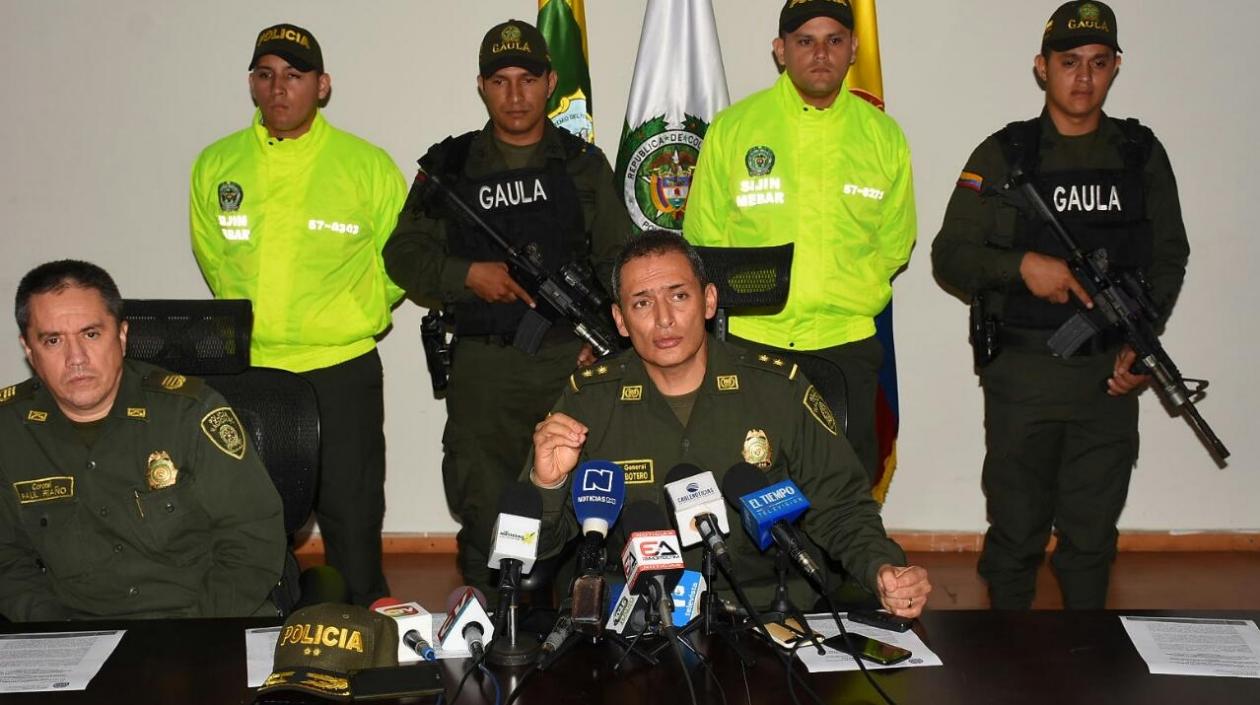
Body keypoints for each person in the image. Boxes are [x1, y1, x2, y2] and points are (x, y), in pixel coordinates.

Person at [931, 1, 1189, 609]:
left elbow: (1168, 256)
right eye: (1069, 62)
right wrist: (1020, 266)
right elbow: (950, 255)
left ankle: (1087, 653)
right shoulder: (1005, 155)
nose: (1083, 77)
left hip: (1108, 380)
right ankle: (1006, 651)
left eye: (1098, 62)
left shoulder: (1139, 154)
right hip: (1024, 375)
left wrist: (1140, 344)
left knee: (1092, 539)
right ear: (1041, 67)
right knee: (1015, 535)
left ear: (1116, 66)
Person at [529, 232, 930, 614]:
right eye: (642, 304)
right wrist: (548, 486)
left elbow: (841, 507)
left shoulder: (777, 389)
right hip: (640, 615)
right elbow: (533, 551)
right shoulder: (588, 401)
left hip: (768, 611)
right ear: (620, 320)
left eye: (679, 296)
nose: (664, 319)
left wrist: (882, 568)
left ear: (708, 301)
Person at [383, 19, 631, 598]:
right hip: (486, 368)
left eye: (527, 79)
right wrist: (467, 274)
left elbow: (620, 261)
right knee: (484, 495)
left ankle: (579, 613)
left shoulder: (583, 164)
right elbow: (403, 255)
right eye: (500, 81)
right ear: (481, 86)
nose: (515, 94)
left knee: (582, 496)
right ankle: (490, 617)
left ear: (550, 83)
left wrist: (605, 339)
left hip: (571, 363)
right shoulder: (451, 166)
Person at [190, 23, 407, 606]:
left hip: (341, 367)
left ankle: (360, 624)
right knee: (248, 516)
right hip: (249, 372)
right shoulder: (216, 164)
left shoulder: (365, 166)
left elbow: (399, 263)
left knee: (352, 513)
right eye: (266, 75)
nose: (279, 87)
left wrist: (352, 308)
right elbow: (214, 260)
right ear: (252, 85)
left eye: (294, 75)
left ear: (322, 85)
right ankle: (260, 627)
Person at [684, 0, 916, 481]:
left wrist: (850, 291)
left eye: (834, 40)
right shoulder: (735, 128)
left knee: (845, 489)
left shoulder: (882, 136)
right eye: (805, 41)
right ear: (780, 50)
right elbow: (703, 236)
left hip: (847, 343)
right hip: (754, 343)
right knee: (752, 487)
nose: (821, 54)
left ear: (854, 49)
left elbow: (896, 242)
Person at [0, 260, 286, 621]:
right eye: (53, 340)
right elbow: (6, 562)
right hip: (75, 627)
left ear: (121, 336)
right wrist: (59, 631)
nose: (76, 359)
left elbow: (253, 540)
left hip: (203, 621)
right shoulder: (9, 430)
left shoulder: (189, 412)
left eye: (91, 334)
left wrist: (187, 634)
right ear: (29, 350)